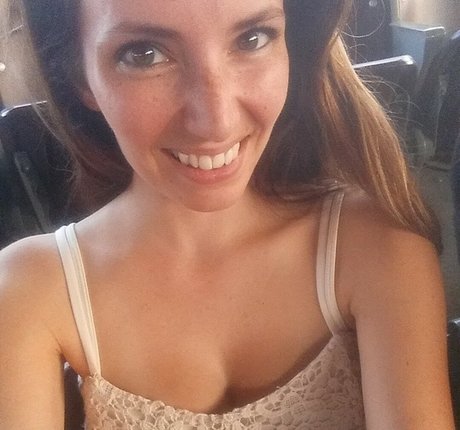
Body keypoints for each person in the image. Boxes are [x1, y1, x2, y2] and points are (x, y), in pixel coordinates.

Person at [0, 0, 455, 428]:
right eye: (144, 54)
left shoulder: (378, 248)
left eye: (252, 39)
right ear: (80, 77)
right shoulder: (29, 288)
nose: (215, 121)